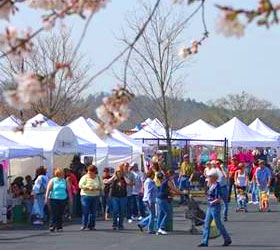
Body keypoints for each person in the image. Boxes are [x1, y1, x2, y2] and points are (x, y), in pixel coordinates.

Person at [198, 169, 232, 247]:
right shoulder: (211, 185)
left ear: (214, 177)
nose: (208, 178)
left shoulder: (217, 186)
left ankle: (227, 239)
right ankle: (204, 242)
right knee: (206, 224)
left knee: (218, 224)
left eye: (210, 176)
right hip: (210, 207)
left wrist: (212, 202)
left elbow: (219, 198)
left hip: (215, 207)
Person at [156, 170, 181, 235]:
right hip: (162, 199)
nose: (174, 176)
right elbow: (173, 189)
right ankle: (161, 228)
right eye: (173, 175)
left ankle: (159, 228)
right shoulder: (168, 181)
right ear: (171, 175)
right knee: (168, 214)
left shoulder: (165, 181)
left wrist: (173, 193)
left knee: (161, 214)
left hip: (161, 198)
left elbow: (168, 190)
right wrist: (181, 192)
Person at [79, 165, 103, 230]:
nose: (89, 173)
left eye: (90, 172)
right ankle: (84, 225)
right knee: (85, 211)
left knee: (93, 212)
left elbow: (102, 186)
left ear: (94, 172)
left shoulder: (98, 177)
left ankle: (92, 225)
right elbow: (80, 185)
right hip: (85, 196)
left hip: (95, 196)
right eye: (88, 172)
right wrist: (87, 187)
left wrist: (97, 188)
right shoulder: (85, 177)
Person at [104, 165, 128, 230]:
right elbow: (107, 182)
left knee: (122, 211)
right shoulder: (114, 178)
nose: (119, 173)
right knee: (115, 210)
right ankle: (114, 224)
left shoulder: (124, 178)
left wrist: (124, 176)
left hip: (123, 196)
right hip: (115, 196)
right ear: (116, 172)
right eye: (118, 172)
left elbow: (128, 182)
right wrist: (105, 180)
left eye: (120, 172)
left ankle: (120, 224)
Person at [137, 169, 157, 234]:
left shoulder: (149, 181)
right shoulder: (149, 182)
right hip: (149, 199)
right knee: (152, 215)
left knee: (152, 214)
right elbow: (149, 192)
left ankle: (142, 223)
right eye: (153, 174)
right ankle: (150, 229)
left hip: (149, 199)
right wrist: (150, 201)